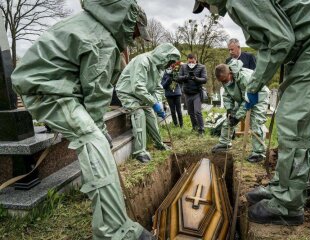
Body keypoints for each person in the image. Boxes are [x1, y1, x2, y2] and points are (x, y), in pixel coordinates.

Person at [192, 0, 310, 225]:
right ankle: (281, 187)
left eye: (205, 3)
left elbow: (279, 40)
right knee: (289, 120)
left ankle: (288, 205)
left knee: (296, 123)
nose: (212, 11)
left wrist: (253, 87)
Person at [11, 1, 155, 239]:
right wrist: (98, 130)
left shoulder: (92, 24)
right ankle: (115, 231)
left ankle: (108, 211)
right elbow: (96, 93)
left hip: (52, 86)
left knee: (95, 139)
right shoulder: (104, 40)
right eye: (137, 31)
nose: (136, 37)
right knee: (94, 142)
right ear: (129, 22)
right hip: (49, 92)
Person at [116, 43, 180, 163]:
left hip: (143, 96)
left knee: (150, 114)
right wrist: (153, 102)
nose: (171, 64)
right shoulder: (143, 61)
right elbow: (138, 87)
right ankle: (139, 152)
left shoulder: (159, 68)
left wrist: (157, 102)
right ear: (164, 56)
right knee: (139, 113)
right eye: (171, 61)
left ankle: (159, 143)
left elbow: (158, 88)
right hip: (128, 93)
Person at [211, 60, 269, 163]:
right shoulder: (226, 79)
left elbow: (249, 100)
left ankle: (259, 153)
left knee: (256, 123)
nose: (224, 83)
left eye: (225, 80)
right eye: (222, 82)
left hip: (258, 96)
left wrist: (237, 117)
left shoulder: (245, 78)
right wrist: (229, 109)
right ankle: (225, 143)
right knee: (229, 119)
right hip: (243, 98)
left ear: (230, 73)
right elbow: (227, 95)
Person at [177, 54, 207, 135]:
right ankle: (195, 127)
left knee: (197, 111)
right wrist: (186, 77)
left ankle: (201, 130)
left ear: (195, 60)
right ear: (187, 60)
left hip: (197, 92)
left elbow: (204, 79)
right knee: (191, 112)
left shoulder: (201, 67)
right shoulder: (183, 67)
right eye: (189, 61)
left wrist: (195, 78)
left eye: (192, 61)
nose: (191, 63)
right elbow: (178, 78)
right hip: (187, 93)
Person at [161, 63, 183, 128]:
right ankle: (176, 124)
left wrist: (175, 78)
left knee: (179, 110)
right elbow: (163, 86)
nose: (170, 68)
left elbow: (181, 82)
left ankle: (181, 124)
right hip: (169, 95)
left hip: (177, 94)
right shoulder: (164, 74)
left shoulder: (176, 72)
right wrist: (169, 79)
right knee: (172, 110)